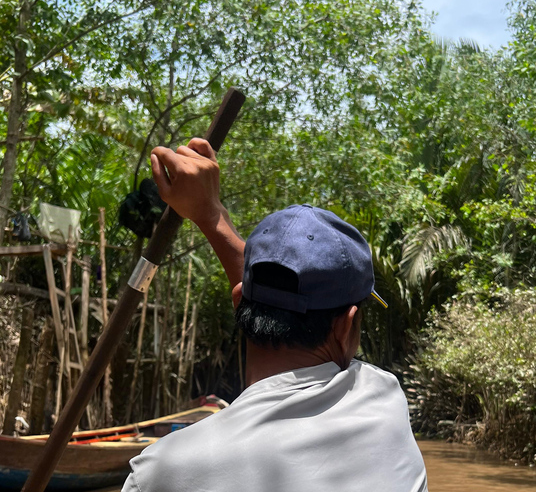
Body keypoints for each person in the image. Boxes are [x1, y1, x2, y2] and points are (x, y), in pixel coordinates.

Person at [122, 138, 427, 492]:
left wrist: (209, 212)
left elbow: (253, 288)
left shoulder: (161, 473)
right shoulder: (382, 397)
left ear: (239, 303)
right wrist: (210, 214)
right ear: (346, 327)